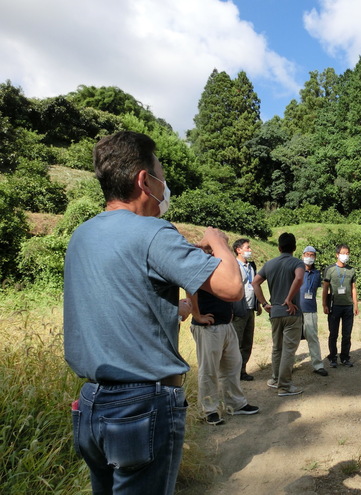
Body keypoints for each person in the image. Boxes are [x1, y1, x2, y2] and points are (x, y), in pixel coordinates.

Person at [63, 131, 243, 494]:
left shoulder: (81, 235)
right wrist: (219, 241)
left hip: (91, 405)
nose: (165, 187)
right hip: (140, 408)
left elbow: (120, 301)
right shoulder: (153, 232)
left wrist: (174, 307)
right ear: (144, 180)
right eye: (161, 176)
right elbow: (231, 287)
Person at [187, 280, 259, 425]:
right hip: (208, 328)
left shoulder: (219, 267)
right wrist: (197, 315)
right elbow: (190, 288)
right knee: (209, 369)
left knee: (233, 365)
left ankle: (236, 404)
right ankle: (209, 410)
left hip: (226, 324)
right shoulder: (199, 264)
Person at [252, 233, 305, 396]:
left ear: (279, 247)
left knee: (277, 348)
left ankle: (275, 379)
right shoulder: (297, 263)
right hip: (291, 312)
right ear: (294, 248)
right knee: (289, 350)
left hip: (274, 312)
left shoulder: (270, 264)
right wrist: (289, 298)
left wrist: (264, 303)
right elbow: (299, 278)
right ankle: (285, 386)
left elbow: (255, 282)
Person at [322, 244, 358, 368]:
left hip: (348, 306)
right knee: (333, 333)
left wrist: (356, 304)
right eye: (343, 253)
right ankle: (332, 357)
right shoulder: (330, 269)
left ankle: (345, 357)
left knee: (347, 334)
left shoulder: (351, 270)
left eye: (347, 253)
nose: (345, 255)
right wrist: (324, 305)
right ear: (337, 254)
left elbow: (353, 288)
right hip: (334, 306)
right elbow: (325, 288)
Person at [231, 238, 262, 381]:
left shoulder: (251, 266)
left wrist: (258, 304)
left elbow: (254, 285)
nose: (250, 250)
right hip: (238, 309)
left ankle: (242, 370)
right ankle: (233, 373)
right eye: (247, 247)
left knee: (247, 342)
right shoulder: (233, 266)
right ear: (238, 250)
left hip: (250, 308)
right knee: (236, 342)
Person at [299, 246, 328, 376]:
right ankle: (287, 365)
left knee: (313, 338)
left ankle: (318, 365)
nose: (309, 257)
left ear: (315, 257)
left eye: (312, 255)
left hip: (310, 310)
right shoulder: (297, 270)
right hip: (296, 310)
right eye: (307, 254)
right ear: (302, 255)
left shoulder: (317, 273)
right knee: (291, 339)